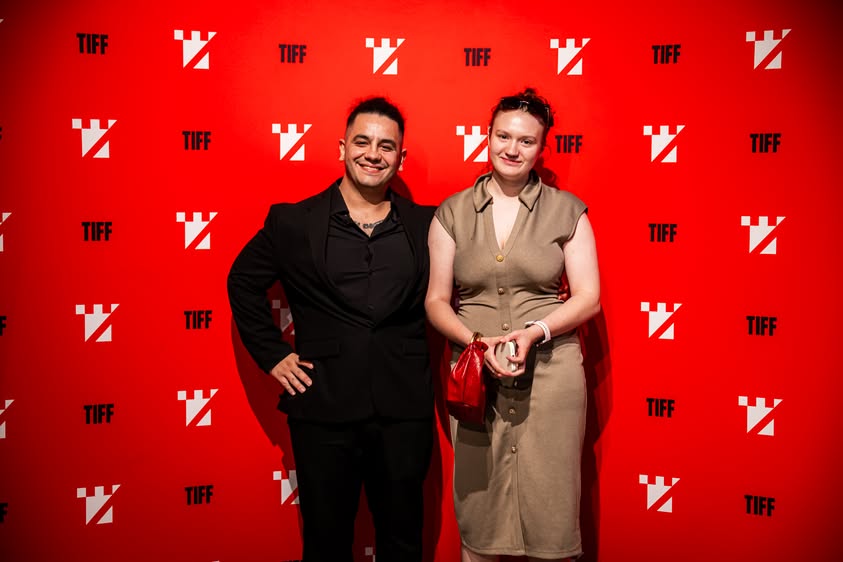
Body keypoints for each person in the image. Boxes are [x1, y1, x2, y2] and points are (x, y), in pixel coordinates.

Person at [227, 97, 435, 562]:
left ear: (400, 158)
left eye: (386, 146)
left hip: (404, 409)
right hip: (322, 407)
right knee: (326, 541)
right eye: (362, 142)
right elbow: (242, 281)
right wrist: (272, 354)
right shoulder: (292, 222)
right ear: (342, 148)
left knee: (403, 540)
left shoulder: (429, 224)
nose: (373, 154)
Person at [425, 88, 601, 561]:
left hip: (552, 375)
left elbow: (588, 296)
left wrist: (535, 332)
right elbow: (437, 301)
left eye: (526, 141)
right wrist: (477, 343)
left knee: (552, 506)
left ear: (541, 148)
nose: (512, 149)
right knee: (479, 508)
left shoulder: (568, 210)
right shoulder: (452, 212)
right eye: (503, 136)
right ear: (487, 137)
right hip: (474, 378)